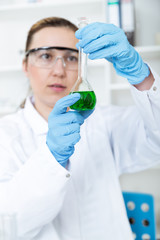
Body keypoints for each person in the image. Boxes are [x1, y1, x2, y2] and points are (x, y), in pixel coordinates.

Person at [0, 16, 160, 240]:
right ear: (25, 65)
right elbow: (7, 224)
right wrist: (51, 157)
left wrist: (141, 77)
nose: (59, 70)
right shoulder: (5, 136)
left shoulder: (104, 122)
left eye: (71, 57)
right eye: (46, 56)